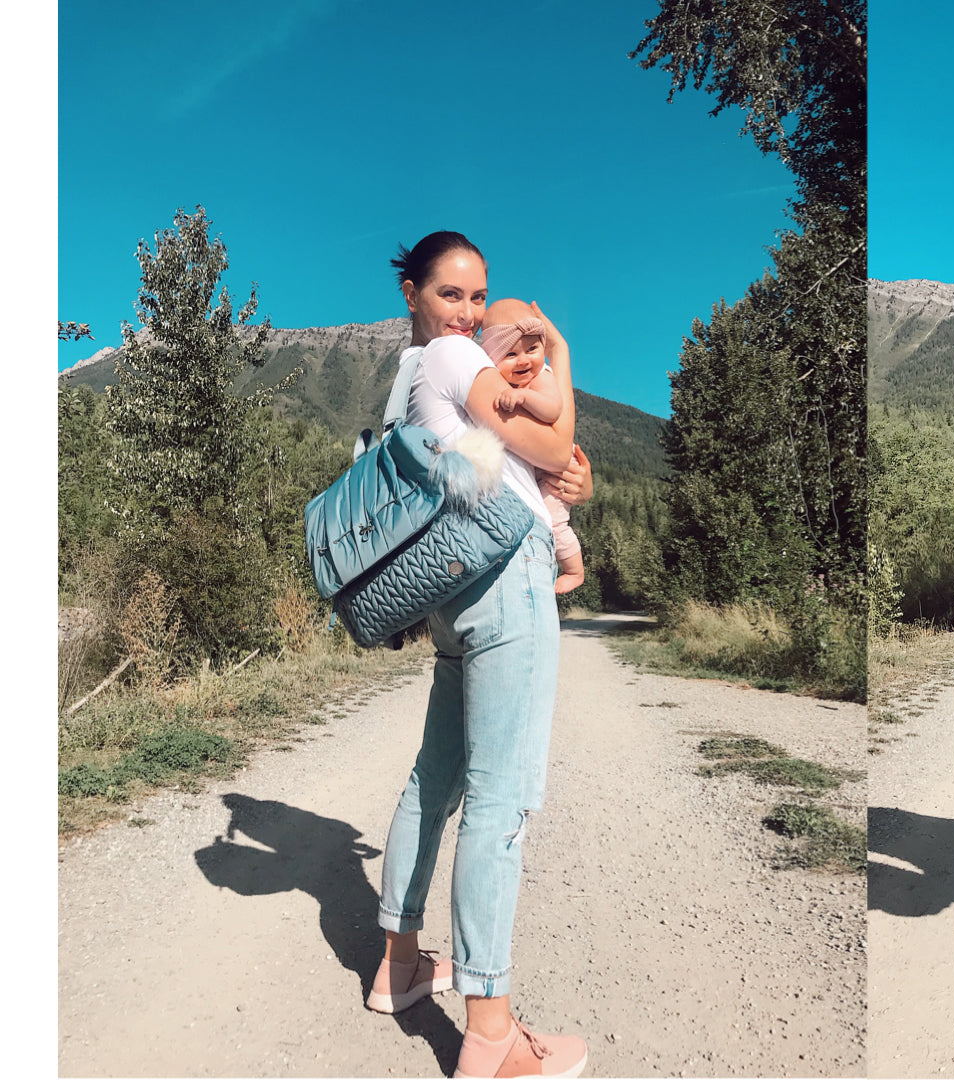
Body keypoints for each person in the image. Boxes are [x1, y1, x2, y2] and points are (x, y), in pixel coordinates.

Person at [366, 230, 594, 1079]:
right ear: (413, 295)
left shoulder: (409, 377)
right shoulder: (456, 359)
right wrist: (559, 355)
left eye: (476, 295)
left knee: (436, 782)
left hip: (454, 591)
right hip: (506, 581)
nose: (466, 312)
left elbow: (544, 469)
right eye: (449, 294)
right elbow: (551, 443)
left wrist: (569, 481)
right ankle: (491, 1034)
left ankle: (399, 966)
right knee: (502, 803)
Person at [479, 297, 587, 594]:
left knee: (554, 523)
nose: (524, 360)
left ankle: (575, 571)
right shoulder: (503, 384)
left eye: (532, 349)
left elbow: (553, 409)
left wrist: (524, 397)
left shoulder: (541, 378)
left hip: (556, 473)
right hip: (540, 468)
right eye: (510, 354)